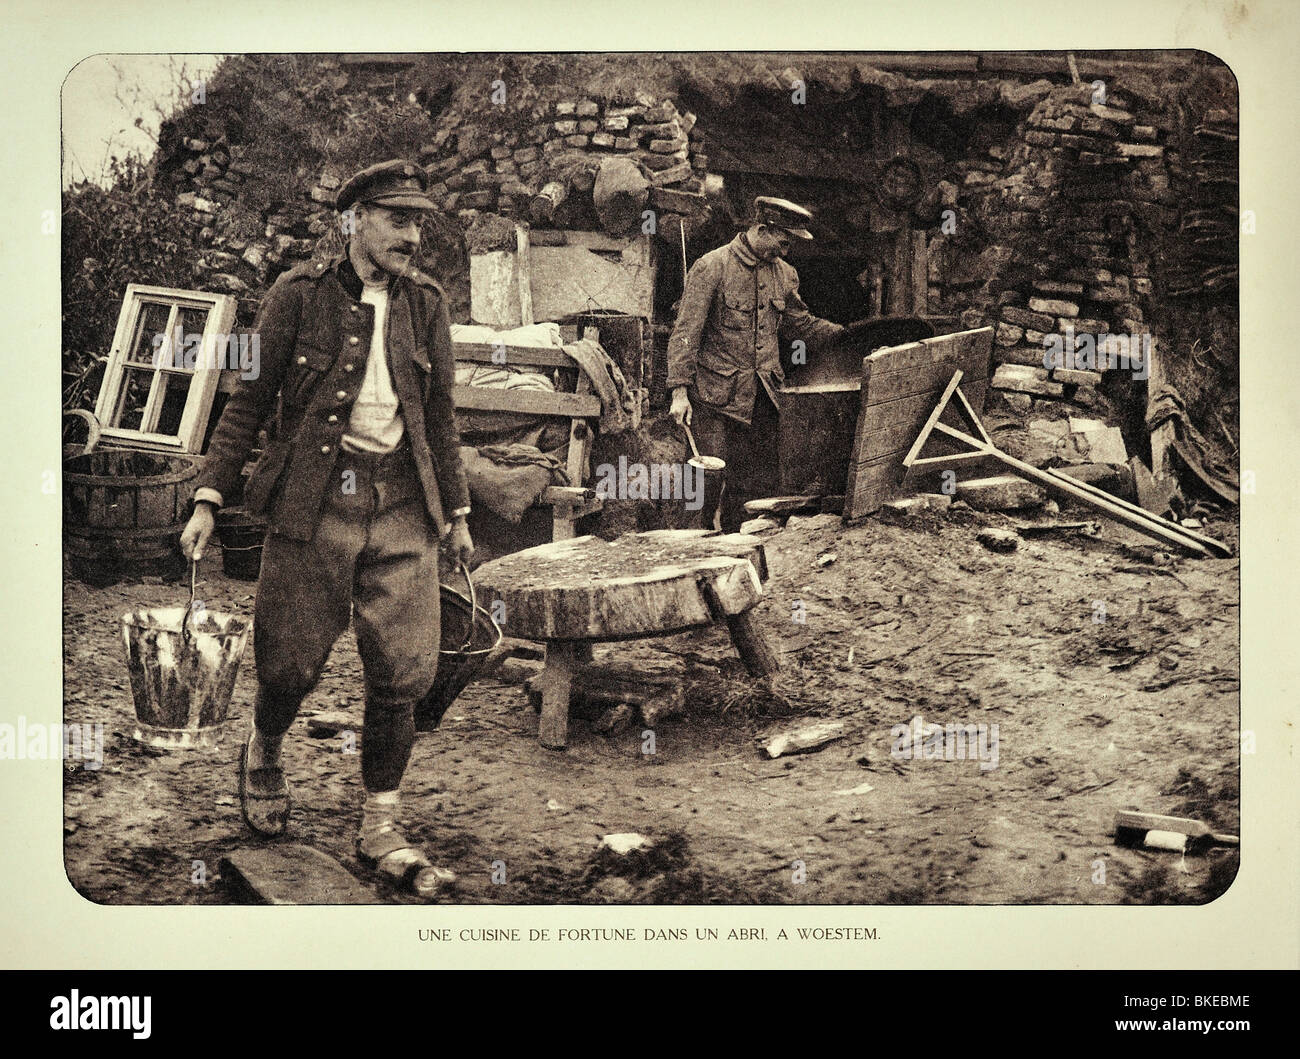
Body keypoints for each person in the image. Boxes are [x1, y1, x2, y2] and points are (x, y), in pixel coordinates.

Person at [179, 159, 474, 899]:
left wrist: (459, 514)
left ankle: (379, 819)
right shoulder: (297, 295)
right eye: (397, 220)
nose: (413, 235)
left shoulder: (427, 305)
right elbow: (248, 401)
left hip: (405, 503)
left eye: (419, 222)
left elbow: (439, 417)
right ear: (355, 221)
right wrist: (209, 498)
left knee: (403, 670)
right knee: (288, 661)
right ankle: (266, 745)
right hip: (313, 502)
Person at [666, 196, 844, 531]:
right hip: (714, 398)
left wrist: (849, 337)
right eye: (783, 241)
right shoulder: (711, 266)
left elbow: (801, 325)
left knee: (755, 485)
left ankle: (739, 549)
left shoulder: (785, 274)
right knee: (705, 483)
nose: (786, 250)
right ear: (762, 229)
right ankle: (691, 550)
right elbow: (686, 333)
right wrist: (679, 392)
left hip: (763, 399)